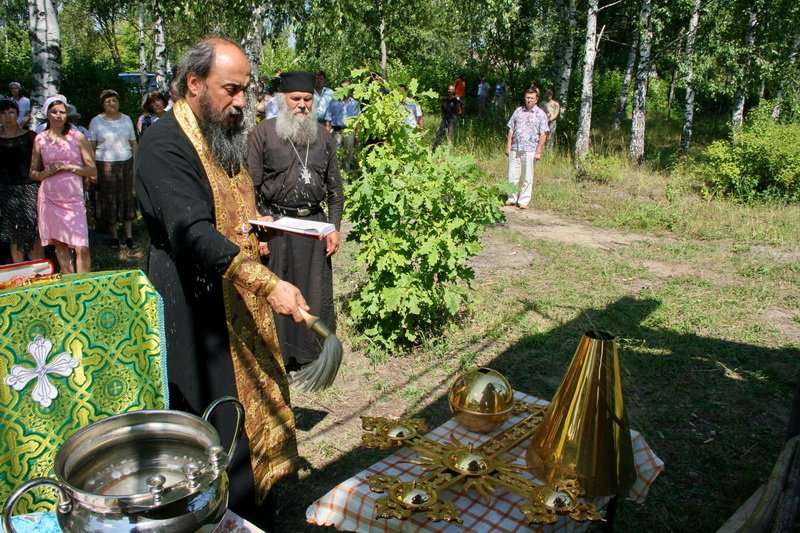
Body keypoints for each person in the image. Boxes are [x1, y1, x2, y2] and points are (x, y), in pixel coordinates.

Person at [135, 37, 310, 530]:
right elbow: (191, 230)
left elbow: (230, 206)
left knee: (251, 391)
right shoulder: (164, 144)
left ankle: (256, 497)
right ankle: (220, 510)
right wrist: (267, 283)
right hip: (193, 301)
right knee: (214, 409)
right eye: (230, 89)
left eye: (245, 90)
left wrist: (256, 231)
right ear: (194, 83)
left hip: (233, 287)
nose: (241, 102)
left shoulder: (219, 132)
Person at [246, 71, 344, 373]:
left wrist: (334, 227)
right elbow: (250, 187)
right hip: (277, 227)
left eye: (307, 99)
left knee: (315, 292)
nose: (302, 104)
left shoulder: (323, 137)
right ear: (282, 100)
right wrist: (259, 232)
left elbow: (335, 188)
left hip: (314, 225)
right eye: (296, 99)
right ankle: (280, 355)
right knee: (280, 289)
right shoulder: (262, 134)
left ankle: (312, 354)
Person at [30, 95, 96, 272]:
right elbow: (32, 172)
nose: (58, 115)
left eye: (62, 112)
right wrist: (44, 173)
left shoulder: (77, 137)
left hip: (74, 198)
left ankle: (85, 283)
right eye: (54, 112)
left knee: (82, 246)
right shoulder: (40, 139)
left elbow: (92, 170)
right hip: (50, 197)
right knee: (61, 245)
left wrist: (68, 167)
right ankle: (69, 281)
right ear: (47, 114)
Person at [89, 89, 138, 249]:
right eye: (108, 101)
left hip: (126, 162)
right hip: (105, 164)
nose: (111, 103)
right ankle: (114, 237)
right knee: (109, 199)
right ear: (103, 104)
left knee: (127, 197)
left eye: (114, 100)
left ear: (119, 102)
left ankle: (129, 236)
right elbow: (91, 148)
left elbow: (133, 143)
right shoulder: (96, 121)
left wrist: (136, 163)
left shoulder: (126, 119)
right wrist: (92, 170)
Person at [0, 98, 42, 263]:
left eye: (11, 112)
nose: (7, 116)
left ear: (17, 114)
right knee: (13, 232)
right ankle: (19, 269)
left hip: (29, 187)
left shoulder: (30, 136)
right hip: (6, 189)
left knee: (33, 229)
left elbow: (40, 163)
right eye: (3, 113)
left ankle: (38, 268)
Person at [505, 89, 548, 209]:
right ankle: (511, 198)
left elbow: (544, 133)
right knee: (512, 174)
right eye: (527, 97)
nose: (529, 100)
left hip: (530, 149)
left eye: (531, 98)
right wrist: (508, 146)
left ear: (536, 99)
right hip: (516, 147)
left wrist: (538, 152)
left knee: (527, 176)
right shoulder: (518, 111)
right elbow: (511, 129)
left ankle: (523, 201)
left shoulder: (540, 114)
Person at [324, 81, 360, 172]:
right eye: (343, 87)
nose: (345, 89)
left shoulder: (355, 103)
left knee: (348, 154)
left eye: (347, 87)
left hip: (349, 132)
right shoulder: (333, 102)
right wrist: (326, 135)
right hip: (336, 132)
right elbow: (328, 119)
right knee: (336, 154)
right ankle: (336, 175)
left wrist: (357, 136)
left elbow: (358, 121)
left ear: (351, 89)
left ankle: (346, 174)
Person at [433, 84, 461, 150]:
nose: (450, 91)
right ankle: (435, 148)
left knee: (450, 134)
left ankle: (450, 149)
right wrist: (442, 117)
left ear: (454, 91)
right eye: (449, 89)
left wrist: (455, 115)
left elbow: (459, 111)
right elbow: (442, 109)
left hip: (452, 119)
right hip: (445, 119)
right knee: (440, 133)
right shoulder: (444, 99)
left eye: (451, 89)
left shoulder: (455, 101)